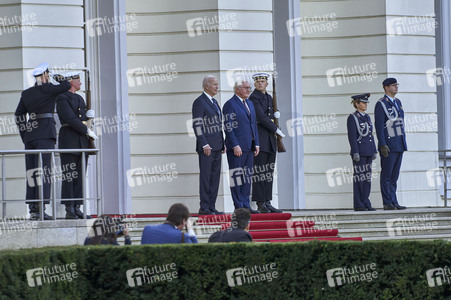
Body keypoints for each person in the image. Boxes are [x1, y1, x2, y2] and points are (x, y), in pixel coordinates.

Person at [15, 62, 70, 220]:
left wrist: (24, 134)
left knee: (31, 172)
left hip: (30, 137)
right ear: (45, 75)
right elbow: (65, 84)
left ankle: (33, 209)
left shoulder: (26, 93)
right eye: (47, 74)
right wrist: (56, 76)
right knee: (44, 172)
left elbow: (19, 115)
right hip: (45, 135)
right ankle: (41, 208)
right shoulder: (49, 89)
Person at [56, 71, 98, 219]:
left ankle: (77, 206)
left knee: (80, 176)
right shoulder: (62, 98)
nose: (80, 83)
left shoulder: (79, 98)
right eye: (78, 80)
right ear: (71, 82)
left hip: (81, 141)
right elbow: (70, 118)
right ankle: (69, 208)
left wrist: (89, 117)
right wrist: (86, 129)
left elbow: (81, 118)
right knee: (69, 175)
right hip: (69, 139)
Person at [223, 81, 260, 214]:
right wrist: (235, 145)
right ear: (237, 89)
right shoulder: (230, 104)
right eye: (246, 88)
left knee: (247, 177)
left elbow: (253, 125)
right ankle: (239, 206)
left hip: (249, 147)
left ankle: (246, 204)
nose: (248, 90)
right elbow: (228, 127)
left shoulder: (250, 103)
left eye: (249, 88)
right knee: (237, 177)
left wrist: (256, 143)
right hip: (237, 148)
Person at [249, 72, 284, 213]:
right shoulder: (254, 98)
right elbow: (262, 118)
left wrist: (277, 114)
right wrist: (276, 129)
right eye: (257, 81)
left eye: (262, 81)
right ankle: (260, 202)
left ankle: (268, 201)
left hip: (270, 141)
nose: (260, 83)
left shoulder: (269, 97)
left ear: (267, 83)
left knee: (268, 172)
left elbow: (271, 114)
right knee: (260, 172)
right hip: (261, 139)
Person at [192, 75, 226, 215]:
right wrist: (204, 144)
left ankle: (212, 206)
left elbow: (218, 125)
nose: (217, 87)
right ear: (207, 86)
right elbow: (197, 125)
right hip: (207, 148)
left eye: (217, 84)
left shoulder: (214, 102)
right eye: (214, 84)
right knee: (206, 178)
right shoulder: (200, 102)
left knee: (215, 178)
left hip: (217, 146)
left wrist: (223, 143)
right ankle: (204, 207)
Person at [374, 78, 407, 210]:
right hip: (388, 144)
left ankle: (394, 200)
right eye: (393, 85)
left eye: (396, 85)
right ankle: (387, 202)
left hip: (398, 142)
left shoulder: (398, 102)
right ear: (386, 87)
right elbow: (379, 125)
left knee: (394, 175)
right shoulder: (381, 104)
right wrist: (382, 144)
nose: (396, 87)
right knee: (387, 175)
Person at [347, 93, 377, 211]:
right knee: (359, 178)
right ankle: (359, 204)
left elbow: (370, 135)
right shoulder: (353, 118)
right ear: (357, 104)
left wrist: (374, 149)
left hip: (368, 151)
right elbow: (352, 136)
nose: (366, 105)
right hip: (359, 152)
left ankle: (366, 202)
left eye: (366, 103)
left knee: (367, 179)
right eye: (363, 103)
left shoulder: (367, 117)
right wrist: (355, 152)